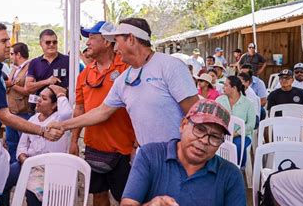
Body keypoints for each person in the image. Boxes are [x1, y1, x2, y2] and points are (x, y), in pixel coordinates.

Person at [48, 18, 199, 146]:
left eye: (117, 41)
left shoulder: (170, 66)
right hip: (146, 156)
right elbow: (101, 112)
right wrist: (63, 125)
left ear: (131, 39)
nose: (115, 47)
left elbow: (196, 113)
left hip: (177, 155)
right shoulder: (123, 79)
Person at [117, 100, 245, 206]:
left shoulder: (231, 175)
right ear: (183, 125)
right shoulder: (150, 156)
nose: (205, 141)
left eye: (215, 137)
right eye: (200, 129)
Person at [72, 21, 136, 206]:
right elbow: (80, 108)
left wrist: (136, 144)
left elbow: (138, 107)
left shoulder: (127, 68)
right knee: (98, 194)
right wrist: (74, 140)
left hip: (123, 148)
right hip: (94, 147)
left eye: (92, 37)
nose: (88, 42)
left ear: (107, 42)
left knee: (126, 198)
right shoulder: (84, 74)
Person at [15, 85, 71, 206]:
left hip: (52, 168)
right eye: (39, 97)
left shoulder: (60, 120)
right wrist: (23, 158)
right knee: (4, 178)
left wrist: (60, 93)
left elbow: (67, 112)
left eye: (44, 98)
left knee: (33, 190)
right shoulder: (32, 119)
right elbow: (22, 145)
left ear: (54, 105)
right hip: (29, 165)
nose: (38, 100)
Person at [216, 76, 256, 167]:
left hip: (241, 135)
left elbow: (251, 124)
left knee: (237, 145)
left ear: (234, 88)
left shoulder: (248, 103)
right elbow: (214, 118)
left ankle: (238, 168)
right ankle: (218, 168)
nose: (223, 87)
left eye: (226, 85)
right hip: (221, 133)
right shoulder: (219, 100)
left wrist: (236, 133)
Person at [4, 42, 32, 163]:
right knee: (11, 143)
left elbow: (27, 90)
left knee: (23, 146)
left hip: (23, 112)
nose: (10, 57)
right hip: (11, 112)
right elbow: (8, 83)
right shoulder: (15, 68)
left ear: (18, 54)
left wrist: (12, 85)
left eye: (12, 54)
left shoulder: (30, 67)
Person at [25, 29, 70, 96]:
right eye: (48, 42)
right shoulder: (34, 62)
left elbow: (77, 84)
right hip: (40, 104)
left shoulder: (68, 60)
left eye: (54, 42)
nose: (51, 44)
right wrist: (47, 81)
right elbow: (28, 88)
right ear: (41, 44)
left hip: (63, 104)